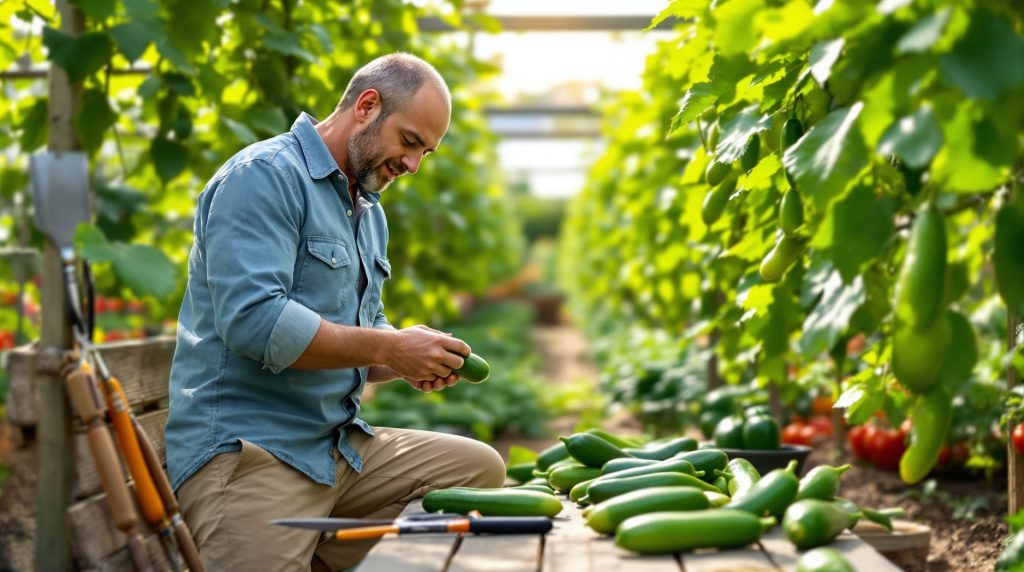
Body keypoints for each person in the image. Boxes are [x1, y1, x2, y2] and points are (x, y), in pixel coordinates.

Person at [164, 53, 506, 571]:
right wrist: (389, 346)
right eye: (410, 141)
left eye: (425, 152)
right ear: (367, 106)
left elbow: (362, 333)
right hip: (253, 452)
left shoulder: (367, 210)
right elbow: (255, 322)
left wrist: (406, 358)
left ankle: (308, 553)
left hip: (336, 449)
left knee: (478, 468)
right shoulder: (264, 176)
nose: (413, 165)